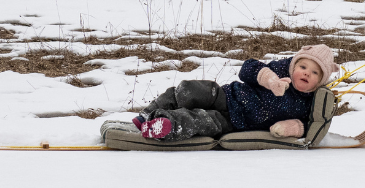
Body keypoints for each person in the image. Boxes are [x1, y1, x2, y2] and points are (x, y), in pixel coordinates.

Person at [135, 44, 339, 141]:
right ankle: (148, 112)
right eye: (303, 67)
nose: (306, 73)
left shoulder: (308, 102)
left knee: (202, 121)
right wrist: (270, 80)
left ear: (320, 80)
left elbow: (304, 125)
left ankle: (165, 124)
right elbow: (247, 68)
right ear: (294, 65)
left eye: (314, 73)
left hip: (236, 123)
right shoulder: (281, 70)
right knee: (190, 89)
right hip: (228, 95)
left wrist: (287, 128)